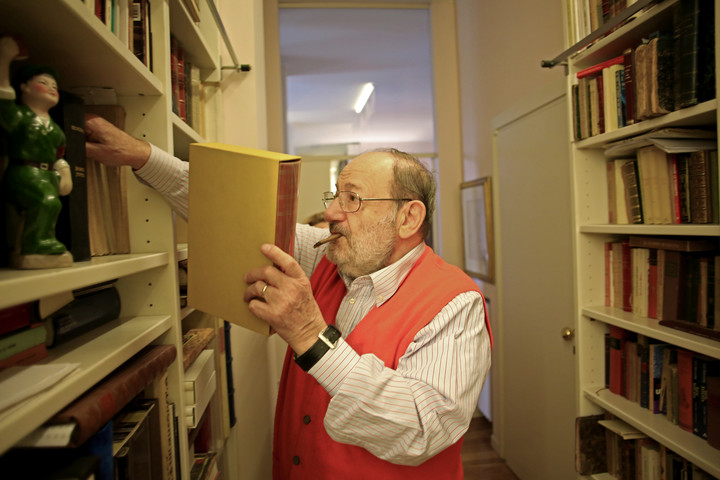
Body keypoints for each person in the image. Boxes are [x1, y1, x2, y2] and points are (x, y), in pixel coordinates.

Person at [85, 114, 492, 479]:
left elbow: (422, 430)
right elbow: (232, 213)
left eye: (352, 198)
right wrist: (143, 157)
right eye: (335, 195)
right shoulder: (332, 257)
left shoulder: (456, 303)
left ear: (408, 217)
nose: (332, 211)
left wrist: (312, 336)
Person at [0, 36, 72, 269]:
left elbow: (59, 154)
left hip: (48, 174)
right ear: (24, 87)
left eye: (54, 86)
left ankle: (43, 242)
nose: (51, 89)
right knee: (46, 202)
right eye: (44, 83)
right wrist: (4, 60)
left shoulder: (56, 128)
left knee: (52, 206)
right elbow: (4, 106)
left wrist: (64, 171)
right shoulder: (22, 117)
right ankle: (33, 247)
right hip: (24, 172)